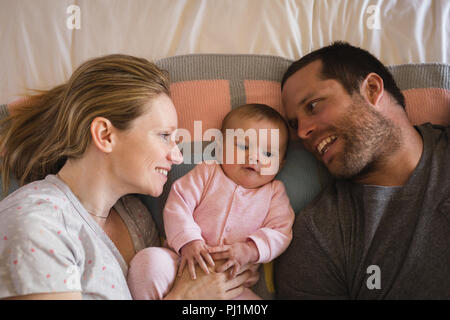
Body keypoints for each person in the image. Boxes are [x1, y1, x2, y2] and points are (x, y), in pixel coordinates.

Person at [0, 54, 253, 300]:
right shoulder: (38, 225)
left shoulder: (135, 218)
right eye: (165, 136)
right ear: (105, 135)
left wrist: (220, 271)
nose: (177, 157)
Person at [275, 41, 450, 299]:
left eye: (313, 106)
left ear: (371, 89)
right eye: (294, 124)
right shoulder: (321, 236)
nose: (301, 133)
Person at [127, 104, 295, 300]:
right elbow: (178, 205)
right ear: (221, 147)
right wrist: (190, 241)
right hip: (181, 265)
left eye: (268, 154)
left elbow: (281, 232)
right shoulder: (207, 173)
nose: (254, 157)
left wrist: (250, 249)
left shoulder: (274, 194)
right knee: (149, 262)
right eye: (244, 146)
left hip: (232, 285)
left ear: (280, 164)